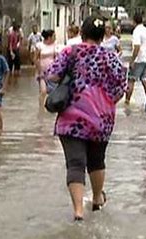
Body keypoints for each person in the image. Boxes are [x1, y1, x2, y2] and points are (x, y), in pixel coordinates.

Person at [45, 16, 127, 221]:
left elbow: (51, 75)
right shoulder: (112, 58)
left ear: (82, 33)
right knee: (97, 161)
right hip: (101, 119)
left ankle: (78, 210)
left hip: (71, 118)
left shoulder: (70, 52)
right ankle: (98, 198)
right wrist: (103, 102)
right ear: (102, 37)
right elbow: (120, 90)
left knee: (75, 164)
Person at [125, 12, 146, 105]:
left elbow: (137, 47)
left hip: (139, 59)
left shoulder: (136, 31)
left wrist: (132, 60)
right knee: (145, 81)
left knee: (131, 80)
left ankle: (127, 101)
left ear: (133, 21)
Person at [35, 29, 58, 101]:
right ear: (49, 37)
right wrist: (39, 70)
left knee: (52, 91)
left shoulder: (55, 45)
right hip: (42, 71)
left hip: (52, 72)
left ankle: (49, 108)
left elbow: (57, 58)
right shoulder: (39, 45)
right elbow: (36, 59)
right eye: (54, 36)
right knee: (43, 91)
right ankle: (41, 109)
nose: (55, 38)